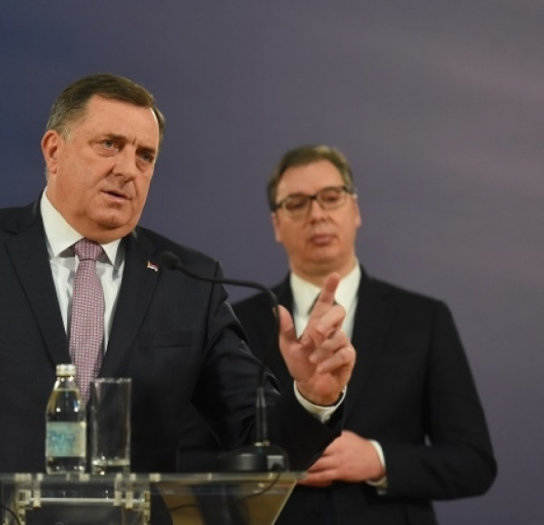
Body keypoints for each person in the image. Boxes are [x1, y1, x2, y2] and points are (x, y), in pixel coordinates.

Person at [0, 75, 356, 525]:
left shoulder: (189, 279)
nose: (128, 169)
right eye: (110, 145)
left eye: (145, 156)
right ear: (54, 151)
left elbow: (256, 439)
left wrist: (312, 398)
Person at [187, 144, 497, 525]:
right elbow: (194, 461)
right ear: (276, 225)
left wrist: (378, 460)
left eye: (331, 197)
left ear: (355, 210)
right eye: (297, 203)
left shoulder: (423, 319)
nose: (317, 214)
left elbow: (474, 462)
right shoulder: (235, 324)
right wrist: (278, 461)